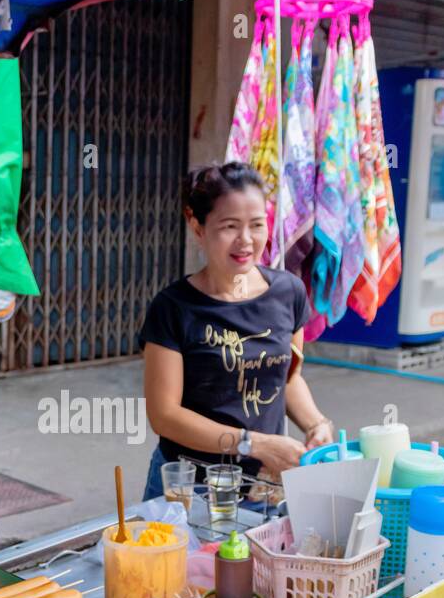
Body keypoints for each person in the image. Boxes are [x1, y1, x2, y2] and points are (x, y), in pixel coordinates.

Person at [140, 162, 334, 501]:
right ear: (197, 226)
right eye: (230, 226)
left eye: (257, 225)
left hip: (265, 489)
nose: (246, 240)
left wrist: (316, 424)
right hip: (190, 488)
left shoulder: (288, 293)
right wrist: (254, 444)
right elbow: (164, 415)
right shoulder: (173, 307)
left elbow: (287, 379)